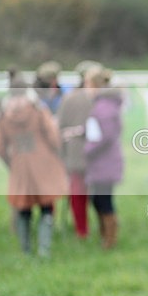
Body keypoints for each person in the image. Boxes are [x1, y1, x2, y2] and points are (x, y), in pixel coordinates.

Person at [0, 77, 68, 257]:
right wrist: (56, 152)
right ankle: (44, 250)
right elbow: (52, 135)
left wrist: (10, 163)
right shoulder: (37, 109)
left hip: (19, 163)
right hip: (42, 161)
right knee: (46, 206)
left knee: (23, 208)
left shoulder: (4, 114)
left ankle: (26, 250)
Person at [57, 60, 102, 239]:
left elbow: (61, 127)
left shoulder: (69, 98)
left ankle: (81, 230)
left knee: (78, 195)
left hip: (75, 154)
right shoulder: (99, 98)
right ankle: (98, 229)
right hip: (95, 154)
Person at [84, 66, 124, 249]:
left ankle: (110, 239)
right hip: (102, 162)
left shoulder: (104, 107)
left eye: (87, 83)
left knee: (104, 201)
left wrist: (87, 149)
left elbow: (105, 136)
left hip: (104, 162)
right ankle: (105, 235)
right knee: (98, 200)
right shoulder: (102, 104)